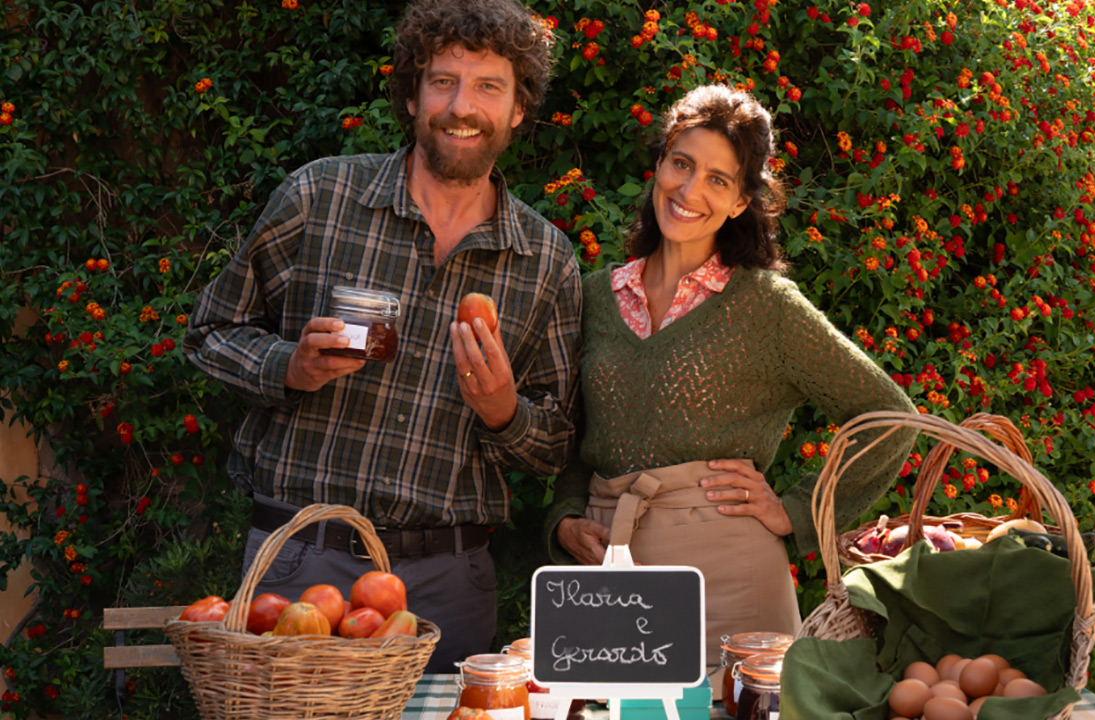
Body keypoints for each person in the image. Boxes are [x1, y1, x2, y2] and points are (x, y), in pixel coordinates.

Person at [183, 0, 580, 671]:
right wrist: (290, 366)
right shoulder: (319, 198)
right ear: (412, 94)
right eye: (443, 81)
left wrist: (505, 414)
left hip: (448, 580)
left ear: (518, 109)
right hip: (300, 562)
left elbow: (558, 441)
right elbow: (209, 334)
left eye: (489, 86)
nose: (462, 106)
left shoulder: (546, 261)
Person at [543, 85, 918, 687]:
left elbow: (888, 415)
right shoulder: (591, 297)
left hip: (734, 578)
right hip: (610, 573)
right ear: (660, 163)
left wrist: (795, 510)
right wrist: (564, 517)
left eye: (719, 180)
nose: (690, 191)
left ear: (743, 202)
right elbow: (572, 436)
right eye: (682, 164)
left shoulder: (765, 307)